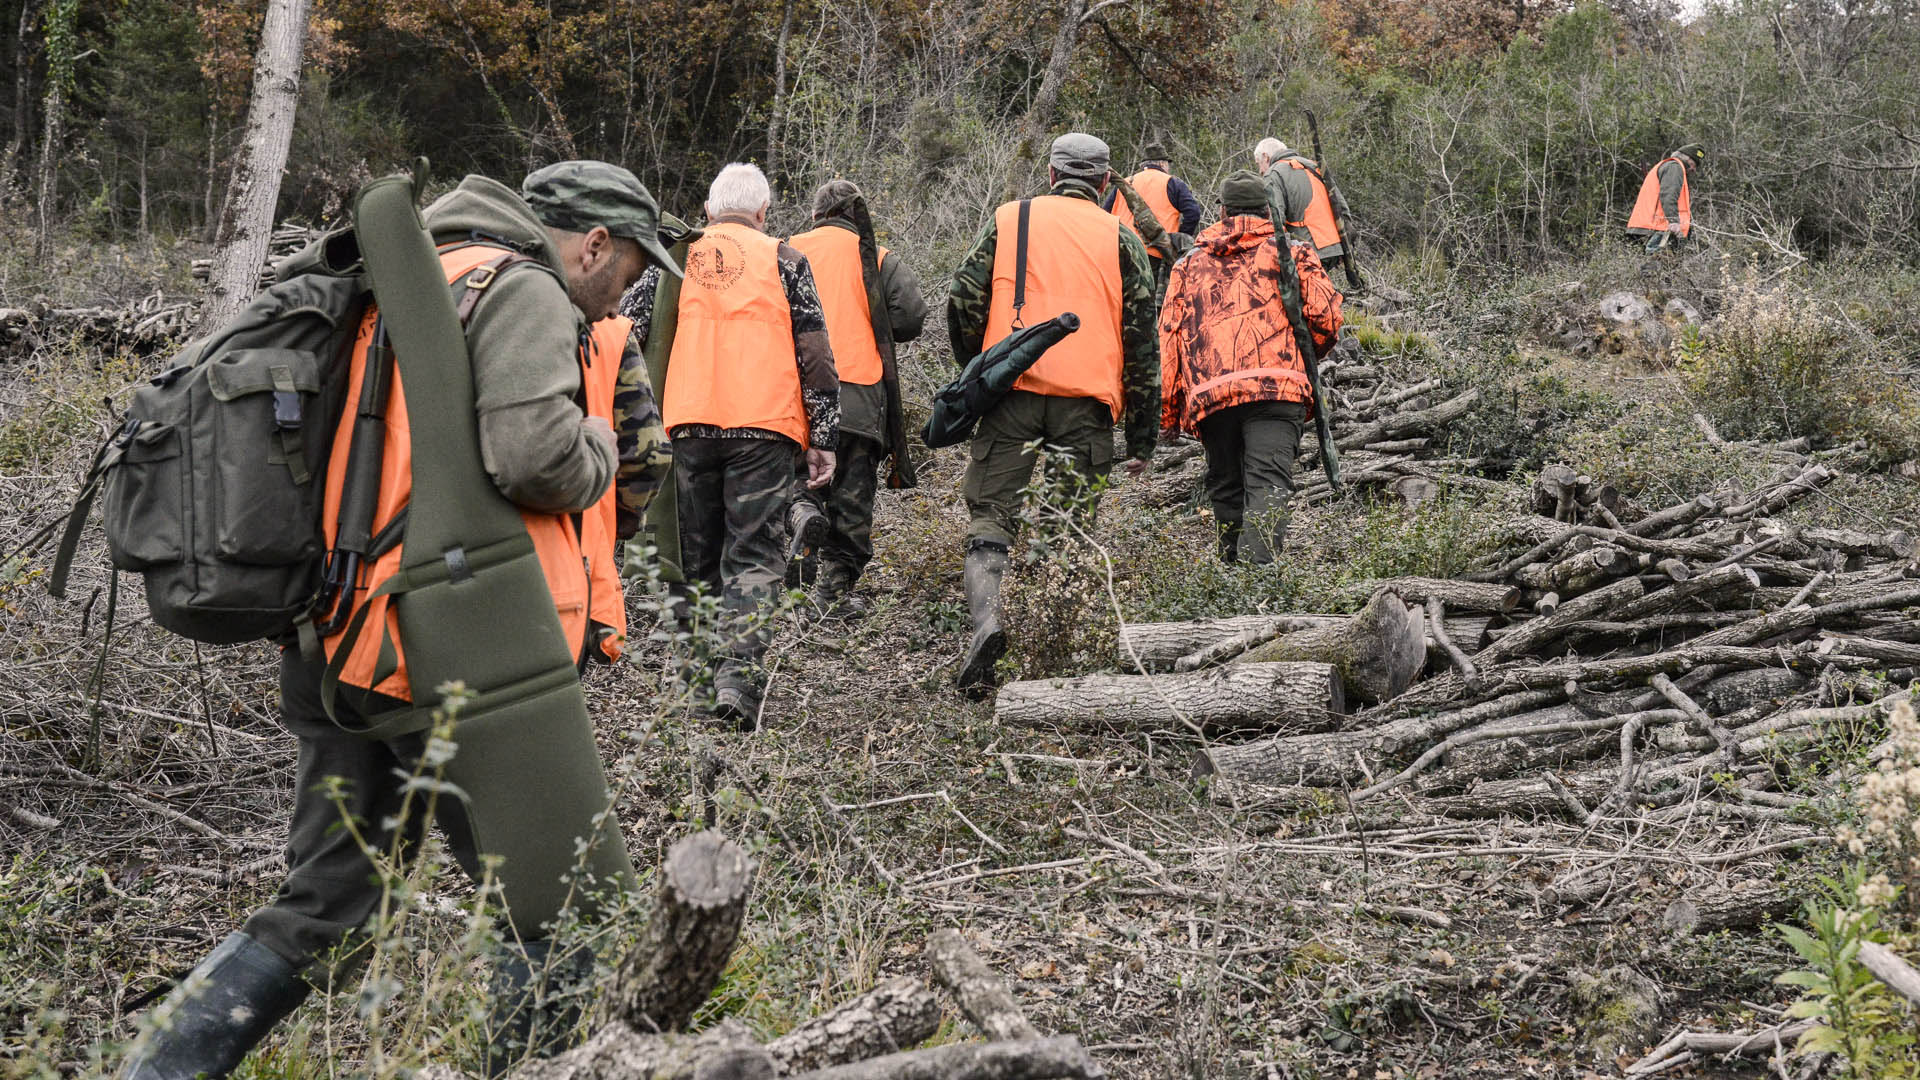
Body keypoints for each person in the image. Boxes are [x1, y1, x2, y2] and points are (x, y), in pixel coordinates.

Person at [118, 161, 676, 1079]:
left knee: (330, 903)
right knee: (561, 904)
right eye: (627, 271)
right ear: (595, 243)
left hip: (342, 641)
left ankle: (155, 1069)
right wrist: (603, 448)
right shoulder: (524, 287)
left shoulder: (418, 272)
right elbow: (534, 456)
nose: (625, 295)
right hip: (448, 661)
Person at [946, 132, 1159, 694]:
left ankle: (988, 623)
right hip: (1086, 405)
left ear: (1050, 175)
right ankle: (1049, 659)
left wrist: (982, 369)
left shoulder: (1009, 219)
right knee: (1067, 527)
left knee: (992, 517)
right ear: (1106, 183)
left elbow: (963, 300)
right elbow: (1143, 343)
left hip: (1012, 393)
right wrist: (1142, 438)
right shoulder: (1124, 238)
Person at [628, 161, 839, 726]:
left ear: (707, 209)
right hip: (764, 430)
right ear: (765, 213)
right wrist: (823, 436)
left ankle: (693, 682)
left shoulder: (673, 257)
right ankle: (737, 684)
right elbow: (815, 353)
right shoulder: (786, 260)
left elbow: (627, 329)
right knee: (751, 555)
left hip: (687, 424)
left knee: (693, 553)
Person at [1160, 170, 1343, 564]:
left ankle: (1232, 579)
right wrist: (1304, 353)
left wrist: (1169, 414)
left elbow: (1169, 338)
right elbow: (1327, 317)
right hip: (1278, 389)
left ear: (1221, 211)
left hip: (1212, 393)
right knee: (1268, 485)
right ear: (1268, 209)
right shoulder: (1292, 251)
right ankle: (1254, 584)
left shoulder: (1188, 265)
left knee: (1225, 484)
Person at [785, 179, 927, 614]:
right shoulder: (878, 258)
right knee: (851, 494)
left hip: (795, 390)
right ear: (857, 216)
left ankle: (802, 518)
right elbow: (910, 320)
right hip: (859, 396)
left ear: (815, 215)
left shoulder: (783, 249)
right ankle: (833, 591)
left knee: (796, 476)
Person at [1103, 139, 1204, 301]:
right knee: (1152, 307)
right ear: (1163, 164)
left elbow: (1104, 215)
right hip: (1156, 255)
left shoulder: (1124, 183)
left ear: (1143, 164)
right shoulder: (1172, 183)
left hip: (1122, 252)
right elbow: (1193, 213)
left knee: (1122, 302)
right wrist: (1178, 240)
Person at [1254, 137, 1353, 277]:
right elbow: (1342, 208)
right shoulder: (1314, 166)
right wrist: (1346, 246)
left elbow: (1276, 221)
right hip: (1336, 248)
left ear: (1265, 156)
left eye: (1259, 164)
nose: (1260, 171)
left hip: (1308, 251)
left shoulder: (1273, 174)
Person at [1627, 143, 1704, 252]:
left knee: (1648, 265)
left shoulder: (1666, 165)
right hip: (1657, 227)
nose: (1694, 168)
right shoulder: (1674, 167)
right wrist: (1673, 221)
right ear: (1687, 157)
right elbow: (1669, 195)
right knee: (1657, 266)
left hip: (1644, 227)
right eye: (1694, 163)